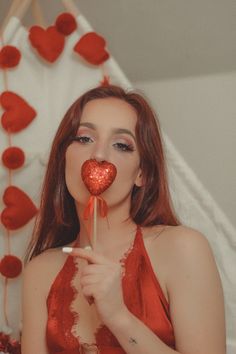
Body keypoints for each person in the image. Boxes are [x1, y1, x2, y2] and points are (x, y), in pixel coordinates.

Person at [21, 85, 226, 354]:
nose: (99, 155)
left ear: (142, 173)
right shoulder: (40, 270)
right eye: (84, 139)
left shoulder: (183, 248)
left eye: (121, 145)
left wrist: (119, 317)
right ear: (63, 158)